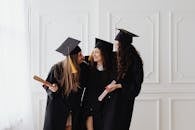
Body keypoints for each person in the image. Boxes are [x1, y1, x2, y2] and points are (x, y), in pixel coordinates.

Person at [43, 37, 89, 130]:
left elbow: (90, 61)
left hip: (73, 109)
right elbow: (46, 85)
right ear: (73, 57)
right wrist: (52, 89)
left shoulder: (83, 68)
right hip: (58, 109)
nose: (82, 56)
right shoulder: (57, 68)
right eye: (80, 55)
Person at [107, 28, 144, 130]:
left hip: (124, 100)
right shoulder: (117, 56)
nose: (115, 45)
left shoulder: (135, 60)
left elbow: (136, 84)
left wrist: (119, 85)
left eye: (117, 43)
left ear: (123, 44)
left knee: (120, 125)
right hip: (112, 99)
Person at [82, 38, 118, 130]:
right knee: (89, 117)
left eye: (97, 52)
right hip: (90, 100)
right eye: (93, 52)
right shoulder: (88, 66)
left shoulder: (112, 70)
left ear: (104, 54)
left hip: (105, 102)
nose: (94, 54)